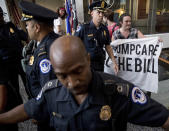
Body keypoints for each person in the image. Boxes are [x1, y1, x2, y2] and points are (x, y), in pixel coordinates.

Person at [0, 36, 169, 131]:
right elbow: (29, 109)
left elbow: (163, 117)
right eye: (62, 75)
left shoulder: (118, 90)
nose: (72, 83)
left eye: (77, 71)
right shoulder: (51, 92)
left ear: (87, 60)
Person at [19, 1, 59, 131]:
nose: (26, 29)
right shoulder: (51, 41)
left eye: (27, 26)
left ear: (36, 27)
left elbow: (47, 90)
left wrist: (37, 111)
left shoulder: (45, 52)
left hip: (49, 116)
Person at [0, 6, 28, 131]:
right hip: (6, 65)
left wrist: (19, 31)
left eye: (1, 15)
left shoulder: (10, 26)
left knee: (28, 83)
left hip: (19, 60)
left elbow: (22, 35)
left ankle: (32, 104)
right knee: (14, 89)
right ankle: (18, 110)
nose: (0, 17)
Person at [74, 1, 118, 73]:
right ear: (92, 13)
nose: (101, 15)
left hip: (100, 64)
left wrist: (114, 62)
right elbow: (74, 43)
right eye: (98, 12)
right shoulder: (84, 28)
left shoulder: (104, 29)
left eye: (102, 13)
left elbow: (108, 46)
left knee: (98, 82)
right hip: (87, 65)